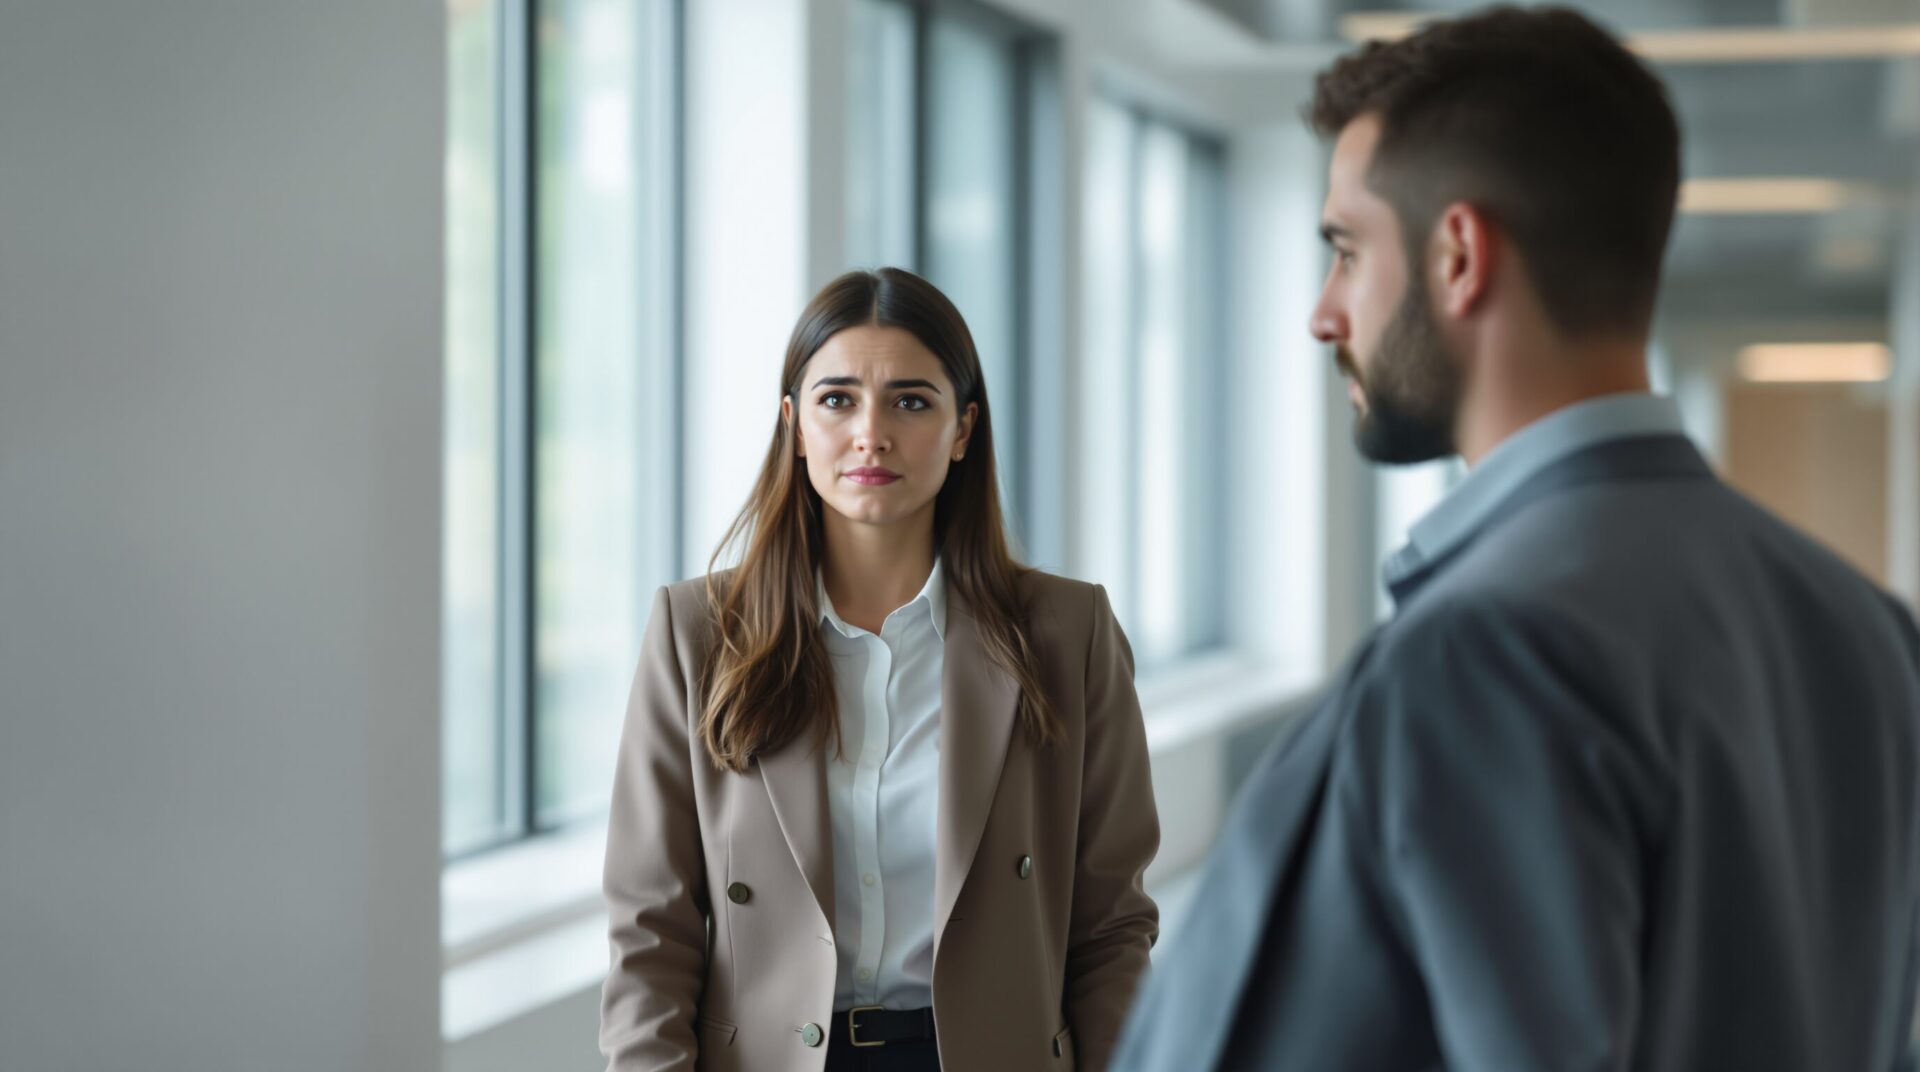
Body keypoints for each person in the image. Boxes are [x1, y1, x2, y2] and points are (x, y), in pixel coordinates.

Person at [1112, 7, 1920, 1071]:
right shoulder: (1872, 630)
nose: (1322, 312)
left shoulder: (1488, 648)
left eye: (1347, 251)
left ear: (1458, 256)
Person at [600, 267, 1160, 1072]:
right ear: (793, 425)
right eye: (837, 400)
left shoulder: (1067, 635)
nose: (872, 433)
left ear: (963, 429)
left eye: (911, 400)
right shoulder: (697, 633)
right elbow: (649, 931)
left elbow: (1111, 928)